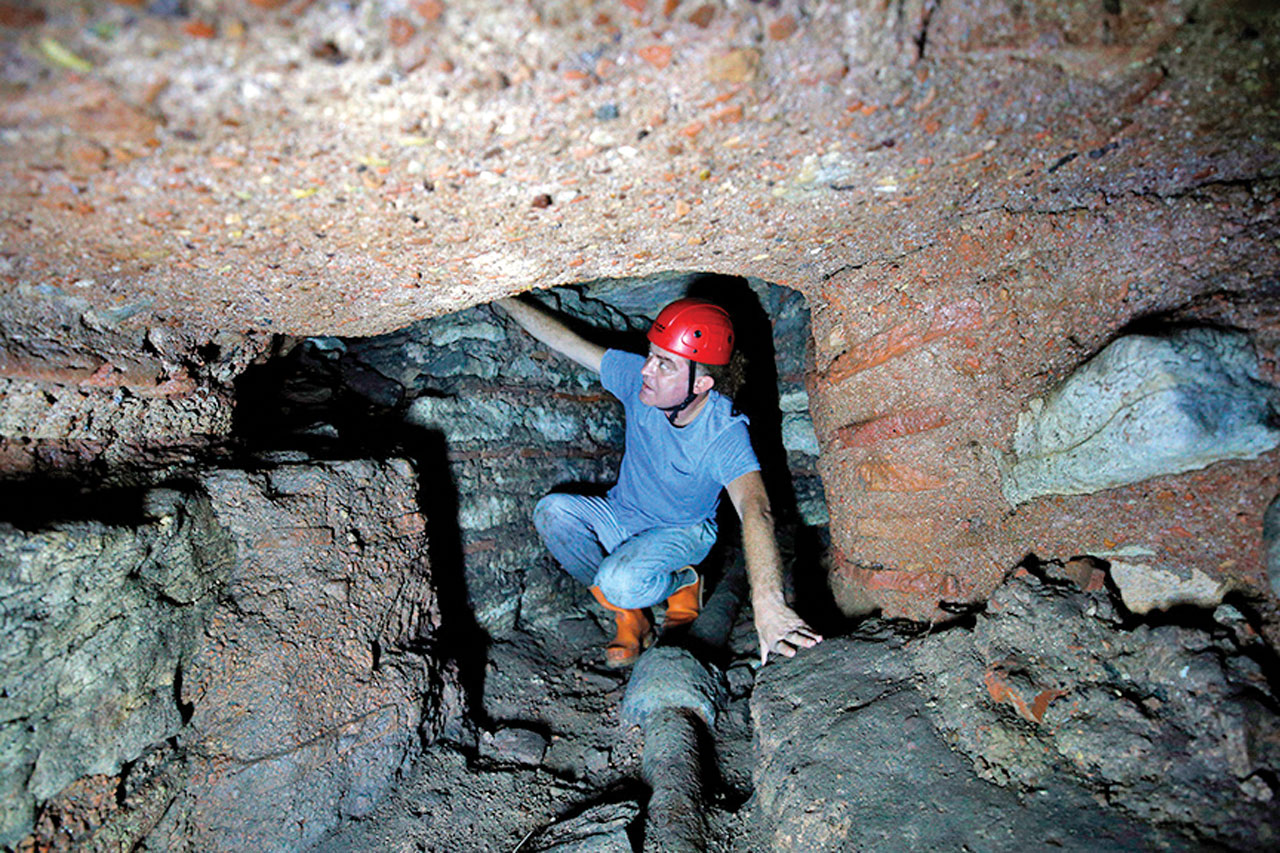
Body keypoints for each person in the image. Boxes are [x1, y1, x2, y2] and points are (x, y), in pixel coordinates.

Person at [496, 294, 822, 668]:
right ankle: (629, 614)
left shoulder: (723, 432)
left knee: (619, 580)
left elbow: (756, 509)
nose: (647, 370)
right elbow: (567, 342)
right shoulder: (641, 380)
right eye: (651, 354)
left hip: (682, 531)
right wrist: (503, 298)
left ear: (702, 385)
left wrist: (768, 604)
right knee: (552, 513)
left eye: (665, 364)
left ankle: (682, 582)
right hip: (621, 513)